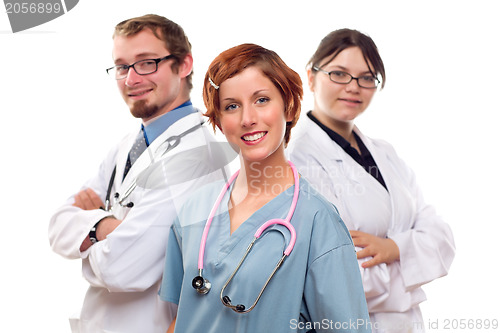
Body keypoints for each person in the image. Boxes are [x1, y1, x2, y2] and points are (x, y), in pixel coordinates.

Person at [159, 43, 371, 333]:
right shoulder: (194, 211)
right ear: (219, 122)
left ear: (289, 106)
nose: (248, 119)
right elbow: (185, 316)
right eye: (232, 106)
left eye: (261, 100)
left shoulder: (318, 222)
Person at [48, 14, 233, 333]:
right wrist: (106, 225)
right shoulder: (125, 147)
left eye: (147, 63)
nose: (131, 79)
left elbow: (123, 269)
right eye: (122, 66)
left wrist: (89, 228)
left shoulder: (196, 158)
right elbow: (57, 226)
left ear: (184, 64)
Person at [287, 29, 456, 332]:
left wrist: (394, 248)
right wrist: (416, 266)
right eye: (339, 74)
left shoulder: (385, 153)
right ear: (311, 77)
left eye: (367, 77)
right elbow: (336, 276)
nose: (354, 87)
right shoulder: (298, 160)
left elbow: (442, 238)